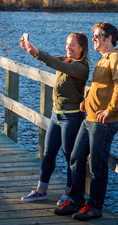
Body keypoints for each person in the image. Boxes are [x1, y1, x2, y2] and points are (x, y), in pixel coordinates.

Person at [54, 21, 118, 221]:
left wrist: (111, 108)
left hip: (103, 122)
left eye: (97, 35)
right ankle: (75, 201)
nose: (93, 39)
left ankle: (94, 206)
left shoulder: (116, 57)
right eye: (93, 35)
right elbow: (98, 86)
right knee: (76, 158)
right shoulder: (102, 59)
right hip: (90, 118)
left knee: (98, 165)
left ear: (108, 37)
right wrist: (86, 101)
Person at [19, 32, 90, 205]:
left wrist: (36, 53)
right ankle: (41, 190)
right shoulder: (66, 60)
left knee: (69, 157)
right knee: (48, 153)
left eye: (72, 44)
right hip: (55, 115)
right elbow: (50, 58)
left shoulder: (81, 67)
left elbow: (53, 63)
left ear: (82, 48)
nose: (68, 47)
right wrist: (31, 50)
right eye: (67, 43)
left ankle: (70, 193)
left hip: (72, 118)